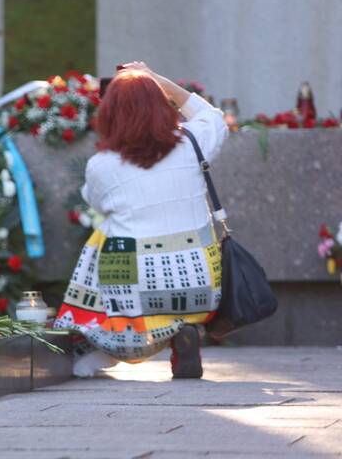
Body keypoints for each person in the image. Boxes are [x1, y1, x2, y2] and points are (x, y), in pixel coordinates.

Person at [54, 62, 228, 379]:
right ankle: (183, 330)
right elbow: (214, 117)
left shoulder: (101, 165)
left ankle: (101, 342)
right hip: (200, 285)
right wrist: (157, 79)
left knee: (103, 236)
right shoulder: (192, 143)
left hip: (134, 293)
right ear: (162, 104)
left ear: (109, 114)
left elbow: (94, 201)